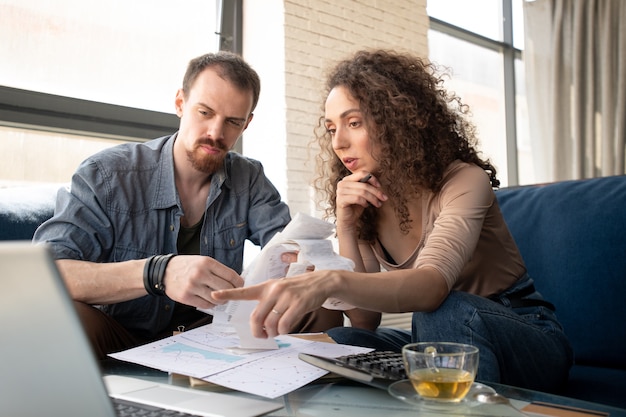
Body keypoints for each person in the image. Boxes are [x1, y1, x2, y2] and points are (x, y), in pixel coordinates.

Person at [212, 49, 573, 392]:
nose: (339, 142)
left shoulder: (464, 179)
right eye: (332, 128)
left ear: (397, 120)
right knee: (341, 341)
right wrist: (347, 224)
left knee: (444, 310)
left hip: (526, 335)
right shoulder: (369, 195)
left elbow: (432, 288)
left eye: (353, 122)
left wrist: (330, 281)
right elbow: (365, 320)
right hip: (441, 335)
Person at [33, 51, 343, 360]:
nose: (215, 133)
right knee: (54, 315)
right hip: (120, 334)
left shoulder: (249, 178)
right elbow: (46, 275)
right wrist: (159, 272)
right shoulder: (108, 174)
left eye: (232, 122)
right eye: (205, 113)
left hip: (210, 335)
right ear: (180, 103)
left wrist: (301, 263)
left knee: (321, 309)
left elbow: (287, 245)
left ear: (246, 124)